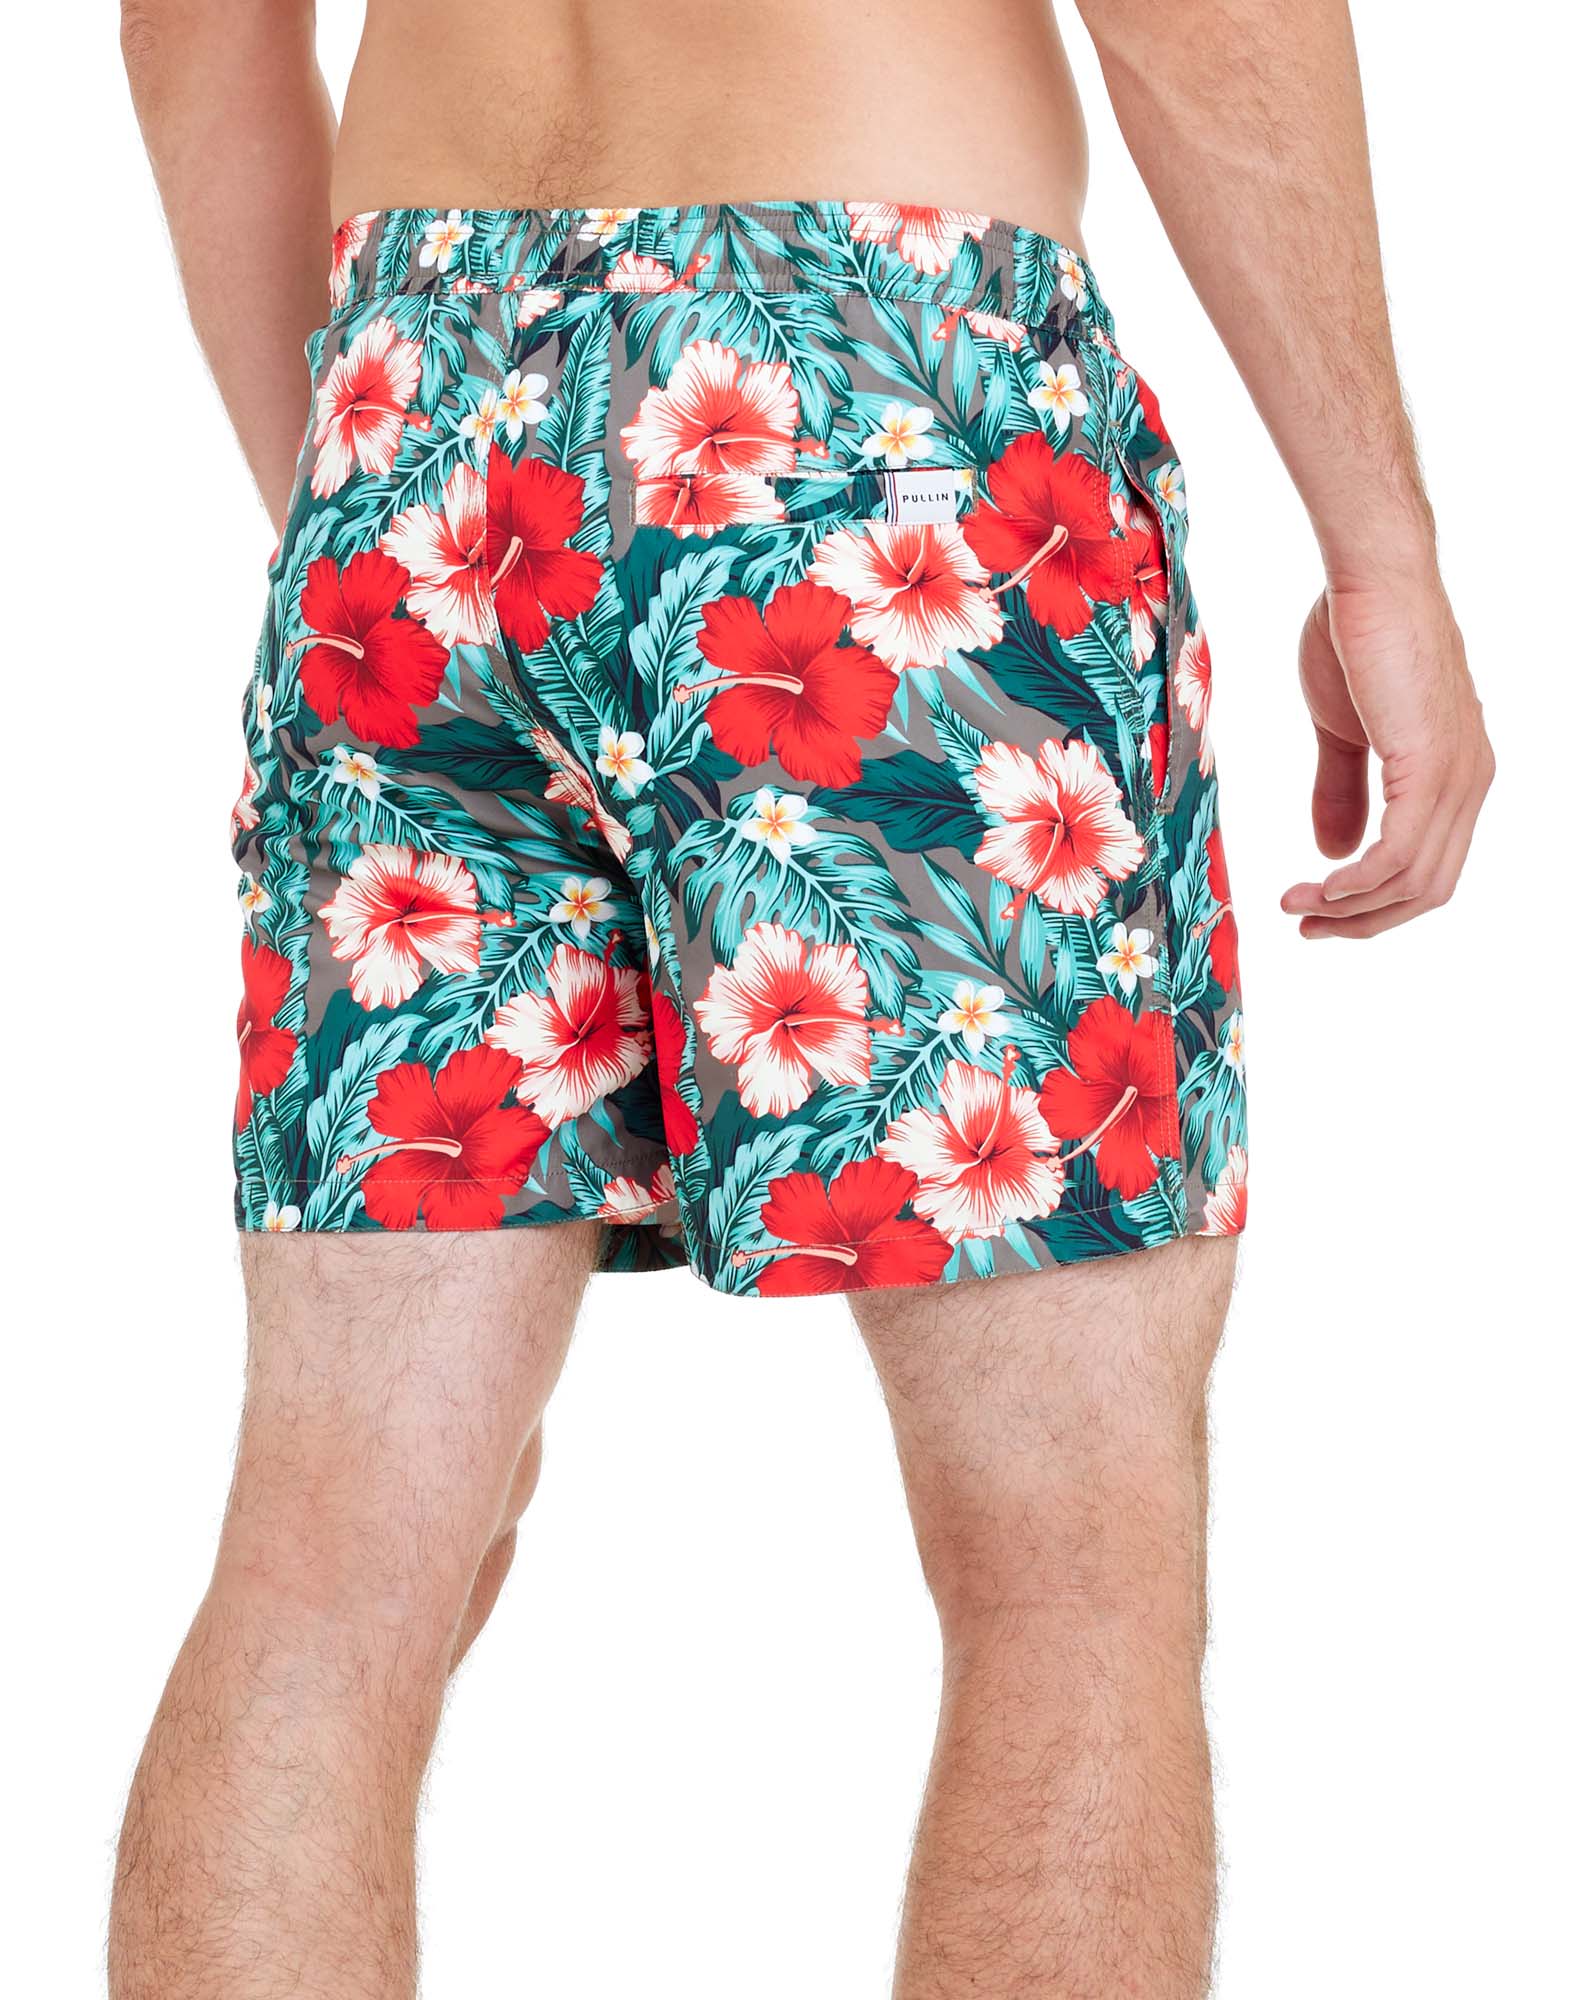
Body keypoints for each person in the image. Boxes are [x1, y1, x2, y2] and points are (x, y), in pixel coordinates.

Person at [112, 1, 1492, 1993]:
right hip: (872, 399)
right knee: (1064, 1566)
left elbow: (191, 31)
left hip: (411, 417)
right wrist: (1380, 547)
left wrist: (367, 500)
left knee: (329, 1560)